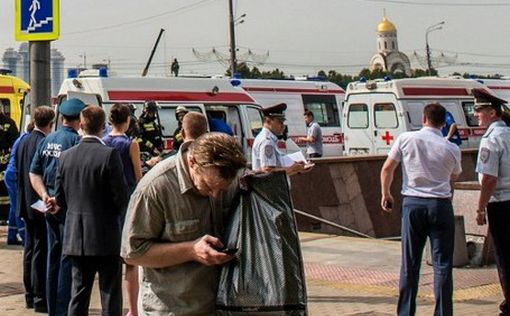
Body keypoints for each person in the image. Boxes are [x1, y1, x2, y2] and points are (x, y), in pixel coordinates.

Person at [121, 132, 247, 315]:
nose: (216, 195)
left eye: (223, 189)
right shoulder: (155, 188)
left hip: (219, 306)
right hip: (172, 309)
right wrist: (191, 250)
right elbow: (132, 254)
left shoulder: (227, 177)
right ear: (193, 162)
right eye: (209, 186)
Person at [380, 103, 461, 316]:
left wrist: (386, 193)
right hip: (441, 205)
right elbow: (455, 175)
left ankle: (406, 312)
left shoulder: (406, 139)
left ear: (423, 119)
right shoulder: (451, 148)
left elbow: (388, 167)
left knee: (410, 263)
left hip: (413, 204)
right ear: (444, 123)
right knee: (442, 264)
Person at [54, 105, 129, 316]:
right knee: (110, 293)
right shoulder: (109, 155)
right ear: (102, 127)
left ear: (81, 125)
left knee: (78, 293)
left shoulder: (66, 157)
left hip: (76, 236)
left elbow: (60, 198)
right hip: (105, 234)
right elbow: (120, 198)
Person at [29, 98, 86, 316]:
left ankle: (53, 308)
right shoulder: (75, 143)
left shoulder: (47, 140)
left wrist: (45, 196)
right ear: (79, 119)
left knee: (52, 258)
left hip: (48, 208)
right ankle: (64, 309)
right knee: (67, 262)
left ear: (62, 117)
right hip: (67, 210)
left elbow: (34, 172)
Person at [471, 88, 510, 316]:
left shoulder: (491, 140)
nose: (476, 115)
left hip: (501, 204)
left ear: (492, 113)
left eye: (480, 111)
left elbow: (488, 179)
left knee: (505, 257)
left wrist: (480, 207)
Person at [102, 103, 142, 316]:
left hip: (107, 202)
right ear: (127, 121)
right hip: (127, 200)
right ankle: (132, 309)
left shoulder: (103, 141)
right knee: (129, 259)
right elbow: (137, 175)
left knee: (111, 259)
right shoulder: (130, 144)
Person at [16, 105, 55, 313]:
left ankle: (29, 293)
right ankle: (40, 296)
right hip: (38, 203)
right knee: (41, 249)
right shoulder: (42, 142)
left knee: (30, 249)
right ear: (50, 124)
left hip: (25, 202)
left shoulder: (24, 140)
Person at [252, 103, 307, 175]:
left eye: (283, 122)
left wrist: (296, 168)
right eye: (279, 122)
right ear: (268, 121)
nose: (283, 126)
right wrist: (292, 168)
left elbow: (277, 168)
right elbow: (267, 171)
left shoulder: (269, 139)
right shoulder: (266, 141)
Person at [4, 122, 33, 245]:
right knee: (18, 206)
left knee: (13, 205)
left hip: (10, 174)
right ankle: (24, 236)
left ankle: (11, 234)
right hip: (15, 175)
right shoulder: (27, 140)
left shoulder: (22, 138)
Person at [0, 103, 19, 225]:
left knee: (4, 191)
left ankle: (4, 216)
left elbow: (14, 143)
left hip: (4, 162)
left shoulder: (9, 123)